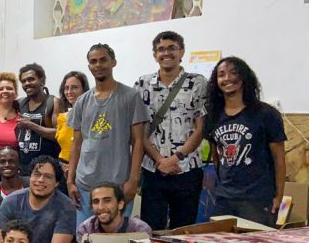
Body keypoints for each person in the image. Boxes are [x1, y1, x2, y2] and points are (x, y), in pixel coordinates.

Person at [67, 44, 148, 228]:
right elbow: (76, 144)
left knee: (116, 240)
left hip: (118, 184)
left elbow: (138, 141)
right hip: (85, 185)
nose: (98, 65)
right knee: (85, 240)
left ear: (113, 62)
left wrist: (133, 180)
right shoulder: (82, 101)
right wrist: (70, 181)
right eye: (93, 61)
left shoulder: (130, 97)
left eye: (103, 60)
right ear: (89, 67)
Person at [133, 31, 208, 230]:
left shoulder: (198, 83)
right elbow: (138, 129)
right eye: (161, 49)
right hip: (153, 168)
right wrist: (160, 160)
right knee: (152, 228)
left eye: (172, 48)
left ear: (181, 51)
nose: (166, 53)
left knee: (183, 230)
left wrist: (174, 159)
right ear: (154, 54)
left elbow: (201, 129)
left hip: (187, 168)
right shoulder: (142, 84)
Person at [205, 56, 286, 226]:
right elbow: (216, 155)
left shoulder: (266, 114)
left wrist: (279, 196)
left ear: (244, 77)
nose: (227, 78)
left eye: (233, 73)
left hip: (257, 199)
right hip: (224, 199)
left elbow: (279, 159)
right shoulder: (213, 116)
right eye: (221, 74)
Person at [0, 156, 76, 243]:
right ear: (30, 177)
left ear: (57, 183)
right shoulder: (10, 202)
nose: (40, 180)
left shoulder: (66, 206)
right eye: (37, 174)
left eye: (48, 177)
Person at [16, 63, 61, 173]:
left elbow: (59, 134)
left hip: (46, 167)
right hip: (23, 167)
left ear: (42, 81)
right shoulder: (20, 103)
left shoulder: (53, 102)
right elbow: (1, 102)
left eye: (31, 79)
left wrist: (32, 125)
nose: (27, 83)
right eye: (23, 81)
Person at [76, 182, 153, 238]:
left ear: (120, 204)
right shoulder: (85, 230)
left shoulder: (139, 230)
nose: (100, 207)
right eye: (96, 202)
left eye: (107, 201)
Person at [55, 71, 90, 166]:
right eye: (66, 88)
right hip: (63, 166)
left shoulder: (92, 116)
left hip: (85, 168)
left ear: (84, 90)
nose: (69, 92)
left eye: (75, 87)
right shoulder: (62, 118)